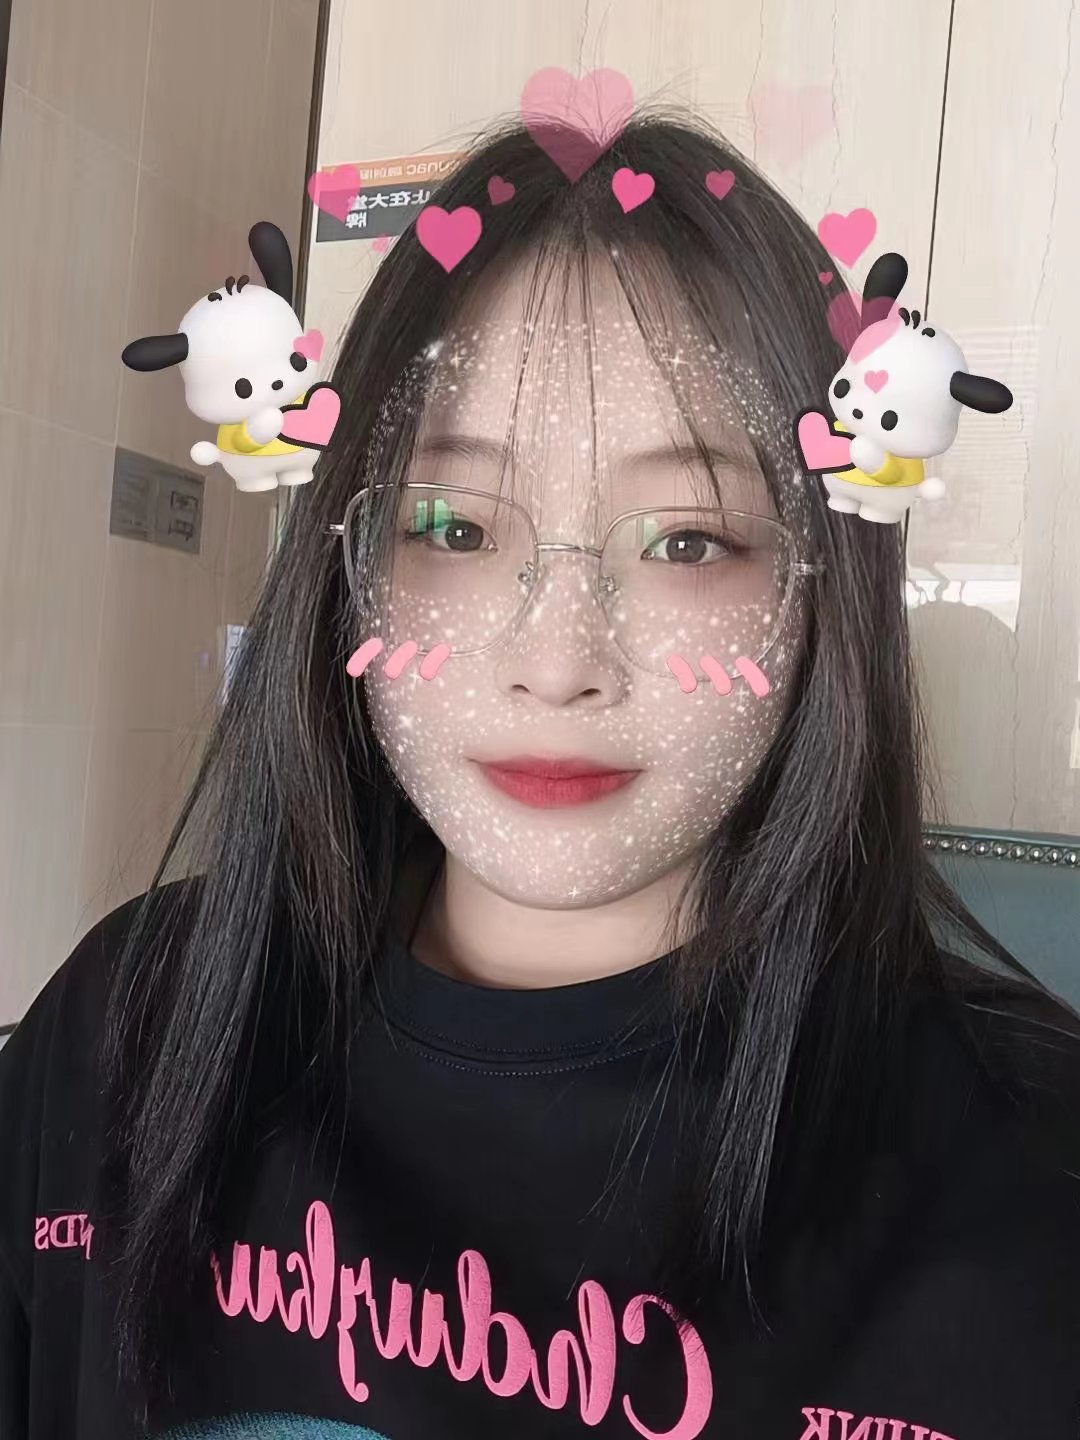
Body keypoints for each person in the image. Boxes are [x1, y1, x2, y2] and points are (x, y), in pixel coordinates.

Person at [1, 110, 1078, 1440]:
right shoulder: (126, 1023)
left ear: (825, 593)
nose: (557, 664)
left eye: (688, 542)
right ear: (345, 566)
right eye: (451, 526)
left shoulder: (1031, 1170)